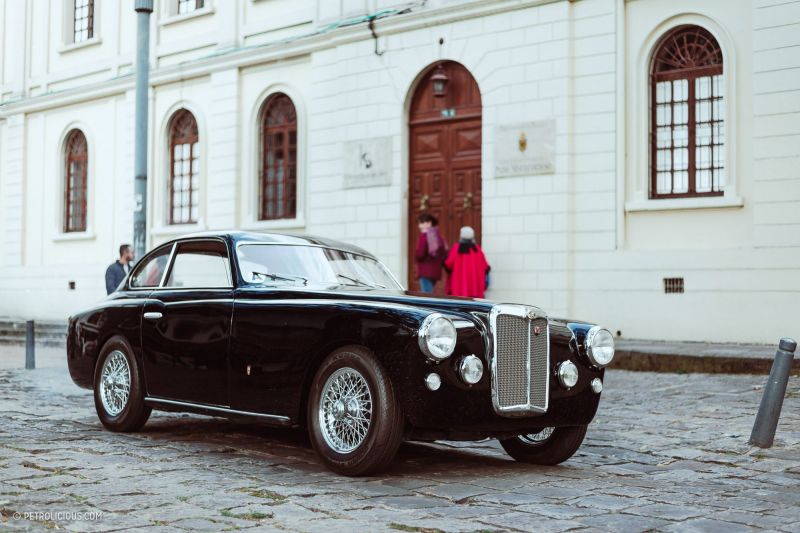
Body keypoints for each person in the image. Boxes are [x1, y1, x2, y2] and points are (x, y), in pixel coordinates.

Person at [444, 226, 490, 298]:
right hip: (475, 287)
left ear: (461, 236)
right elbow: (485, 266)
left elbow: (448, 264)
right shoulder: (477, 249)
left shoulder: (456, 248)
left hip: (459, 287)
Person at [414, 213, 448, 293]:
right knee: (429, 294)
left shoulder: (424, 236)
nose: (419, 226)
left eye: (421, 223)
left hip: (425, 272)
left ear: (429, 223)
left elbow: (420, 254)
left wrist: (416, 256)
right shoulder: (439, 237)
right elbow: (444, 254)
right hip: (436, 272)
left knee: (426, 297)